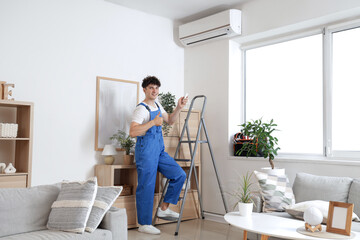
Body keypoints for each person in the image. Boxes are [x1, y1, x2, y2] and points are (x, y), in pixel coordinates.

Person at [129, 76, 188, 235]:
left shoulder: (157, 104)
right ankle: (144, 223)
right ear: (144, 90)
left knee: (179, 175)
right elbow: (133, 131)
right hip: (146, 152)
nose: (154, 90)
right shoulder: (141, 109)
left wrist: (178, 108)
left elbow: (170, 121)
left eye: (156, 88)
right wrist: (152, 123)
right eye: (151, 88)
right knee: (146, 186)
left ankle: (164, 208)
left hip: (159, 151)